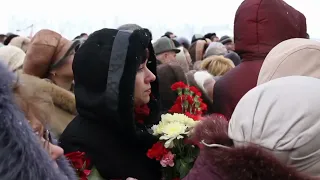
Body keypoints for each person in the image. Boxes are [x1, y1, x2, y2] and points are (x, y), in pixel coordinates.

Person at [59, 28, 161, 180]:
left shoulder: (144, 120)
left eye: (148, 66)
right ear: (110, 80)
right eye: (139, 69)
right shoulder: (78, 143)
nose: (151, 76)